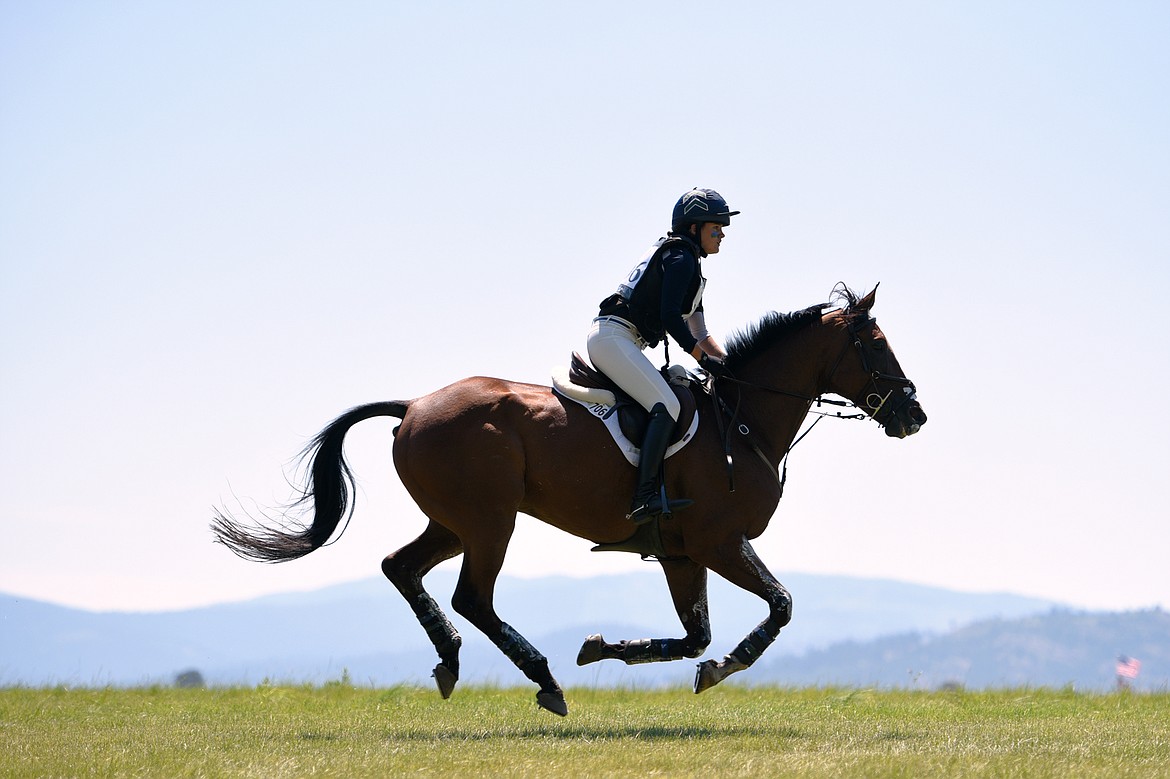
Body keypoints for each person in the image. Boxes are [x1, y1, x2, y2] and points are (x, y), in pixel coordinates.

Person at [587, 187, 737, 524]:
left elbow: (700, 332)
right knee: (667, 405)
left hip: (623, 340)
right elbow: (671, 318)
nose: (723, 234)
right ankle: (643, 498)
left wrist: (728, 366)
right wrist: (700, 356)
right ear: (695, 228)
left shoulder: (689, 266)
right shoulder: (680, 258)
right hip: (614, 337)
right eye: (717, 227)